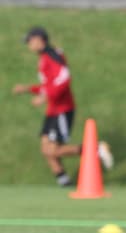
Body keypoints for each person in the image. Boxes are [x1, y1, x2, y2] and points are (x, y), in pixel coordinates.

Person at [11, 27, 111, 187]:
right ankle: (64, 183)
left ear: (39, 39)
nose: (28, 45)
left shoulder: (52, 55)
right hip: (53, 110)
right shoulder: (44, 57)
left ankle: (94, 148)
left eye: (29, 41)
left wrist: (45, 96)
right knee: (46, 150)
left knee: (52, 150)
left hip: (62, 109)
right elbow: (49, 84)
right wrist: (28, 89)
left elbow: (63, 79)